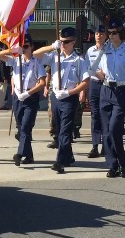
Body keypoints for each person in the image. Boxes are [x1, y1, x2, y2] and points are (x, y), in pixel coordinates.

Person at [34, 26, 90, 174]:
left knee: (65, 132)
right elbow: (35, 55)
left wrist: (70, 92)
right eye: (62, 42)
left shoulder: (79, 60)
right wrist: (52, 46)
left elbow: (86, 81)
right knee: (59, 131)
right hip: (56, 97)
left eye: (67, 42)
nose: (64, 45)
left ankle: (60, 162)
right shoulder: (54, 56)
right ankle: (69, 157)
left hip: (69, 98)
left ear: (74, 42)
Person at [95, 19, 125, 177]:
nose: (110, 36)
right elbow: (98, 71)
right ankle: (112, 165)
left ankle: (122, 161)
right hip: (106, 90)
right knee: (106, 132)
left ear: (120, 33)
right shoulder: (104, 49)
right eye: (109, 33)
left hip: (121, 91)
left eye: (114, 33)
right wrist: (92, 70)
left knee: (114, 129)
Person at [0, 33, 46, 166]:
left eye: (26, 46)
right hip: (18, 97)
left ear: (32, 47)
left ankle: (19, 153)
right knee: (21, 128)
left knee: (25, 127)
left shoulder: (36, 63)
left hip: (30, 97)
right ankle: (29, 156)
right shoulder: (16, 60)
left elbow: (42, 83)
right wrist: (12, 50)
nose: (24, 49)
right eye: (22, 46)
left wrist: (29, 93)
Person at [85, 24, 108, 158]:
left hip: (105, 84)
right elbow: (87, 69)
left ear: (105, 36)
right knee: (94, 116)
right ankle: (94, 145)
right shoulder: (90, 51)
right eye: (97, 34)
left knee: (104, 115)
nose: (99, 36)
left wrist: (102, 74)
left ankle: (105, 145)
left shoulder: (109, 49)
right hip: (93, 84)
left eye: (101, 33)